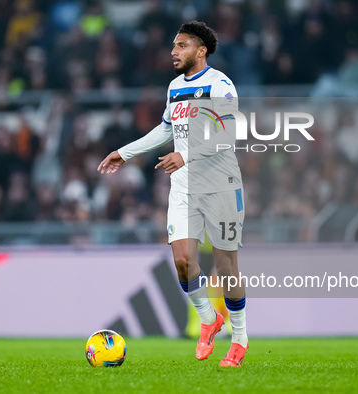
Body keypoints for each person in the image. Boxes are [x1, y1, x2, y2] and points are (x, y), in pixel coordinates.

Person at [98, 21, 248, 367]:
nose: (173, 52)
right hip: (184, 188)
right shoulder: (174, 87)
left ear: (201, 50)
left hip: (221, 185)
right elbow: (166, 128)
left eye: (181, 45)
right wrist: (126, 151)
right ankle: (208, 319)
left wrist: (187, 154)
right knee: (182, 261)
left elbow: (229, 134)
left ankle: (239, 338)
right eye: (173, 45)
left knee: (226, 268)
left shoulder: (220, 84)